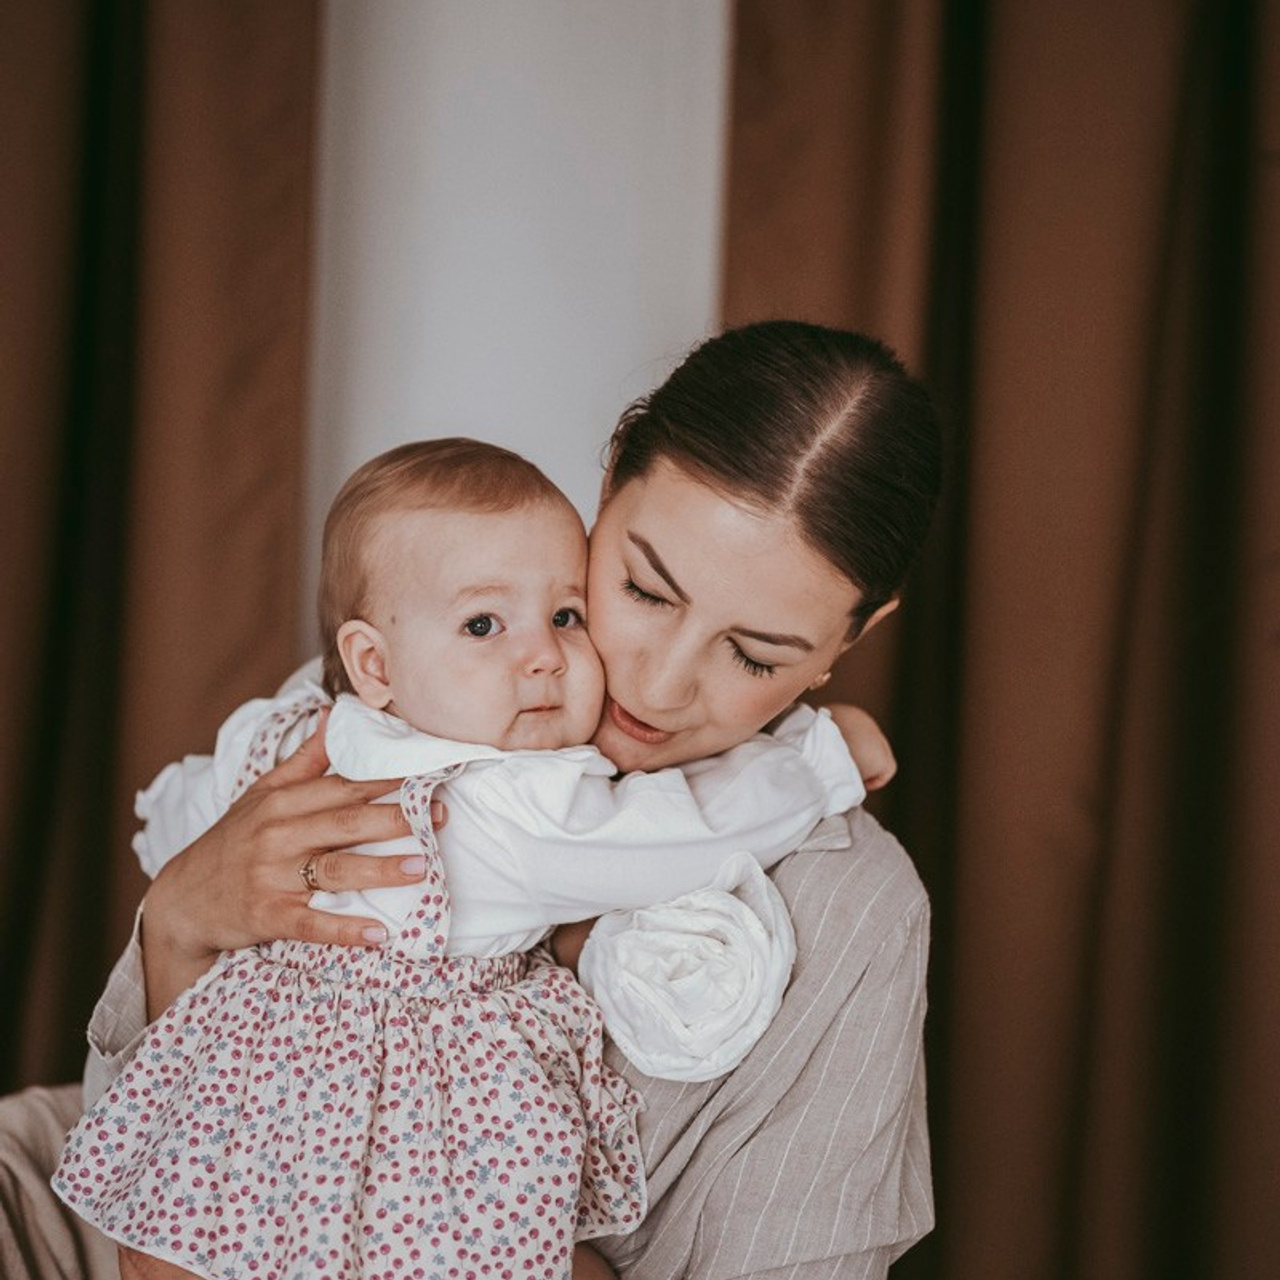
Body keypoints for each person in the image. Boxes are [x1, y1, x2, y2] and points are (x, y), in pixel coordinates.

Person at [0, 319, 938, 1280]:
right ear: (608, 482)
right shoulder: (417, 691)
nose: (653, 688)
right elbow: (161, 1123)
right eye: (644, 590)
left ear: (849, 640)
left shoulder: (856, 910)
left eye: (753, 653)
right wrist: (178, 928)